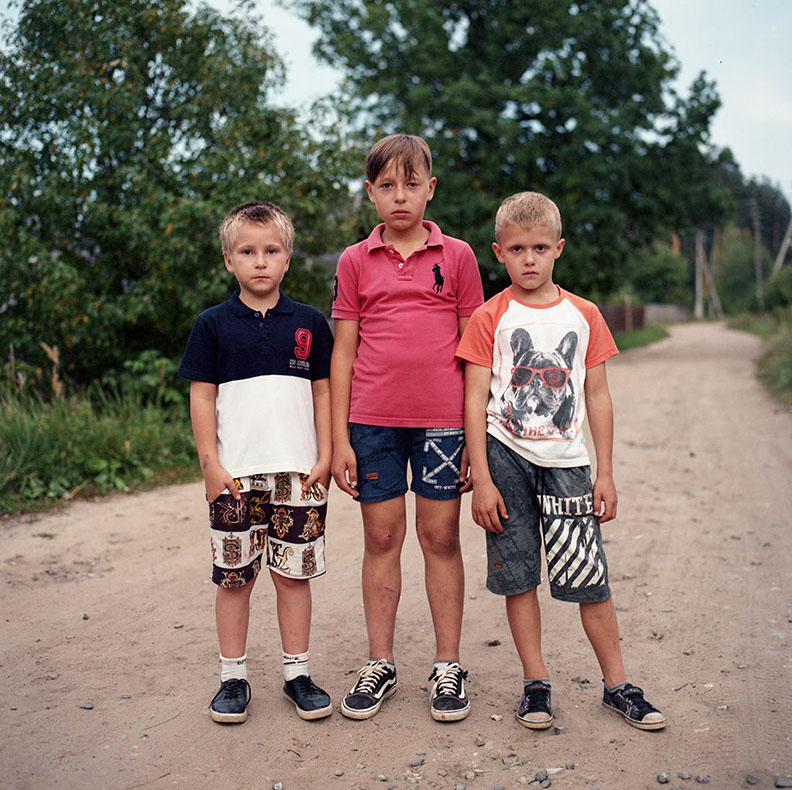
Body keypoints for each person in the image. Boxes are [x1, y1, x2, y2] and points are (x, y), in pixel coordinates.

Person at [456, 191, 666, 731]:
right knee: (519, 576)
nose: (530, 259)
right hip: (505, 457)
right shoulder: (489, 317)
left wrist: (607, 472)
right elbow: (474, 400)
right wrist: (481, 477)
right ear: (498, 252)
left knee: (588, 577)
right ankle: (536, 684)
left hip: (568, 464)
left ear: (559, 249)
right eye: (518, 248)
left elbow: (597, 395)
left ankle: (618, 685)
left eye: (541, 247)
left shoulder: (584, 315)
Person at [330, 134, 485, 721]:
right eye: (387, 186)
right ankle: (381, 663)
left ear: (430, 189)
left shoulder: (459, 256)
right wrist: (340, 437)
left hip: (444, 423)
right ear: (371, 193)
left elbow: (476, 351)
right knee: (382, 538)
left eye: (411, 184)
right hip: (372, 422)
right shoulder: (353, 261)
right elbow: (343, 353)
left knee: (440, 538)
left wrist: (478, 435)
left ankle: (448, 666)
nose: (400, 197)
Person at [178, 201, 334, 724]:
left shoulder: (310, 323)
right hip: (235, 478)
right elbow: (202, 398)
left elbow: (324, 395)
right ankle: (232, 679)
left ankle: (297, 674)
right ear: (229, 260)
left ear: (287, 258)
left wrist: (328, 453)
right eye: (248, 252)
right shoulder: (213, 325)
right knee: (235, 579)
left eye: (271, 251)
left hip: (300, 474)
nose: (260, 262)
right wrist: (209, 465)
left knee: (294, 577)